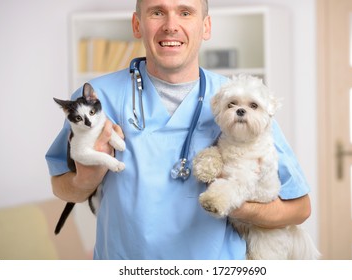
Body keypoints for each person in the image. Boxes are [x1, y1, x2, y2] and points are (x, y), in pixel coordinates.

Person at [46, 0, 312, 259]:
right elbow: (62, 186)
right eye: (157, 12)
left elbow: (299, 209)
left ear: (206, 27)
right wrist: (86, 179)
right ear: (137, 24)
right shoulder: (99, 99)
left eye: (185, 12)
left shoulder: (238, 101)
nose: (171, 25)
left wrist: (239, 205)